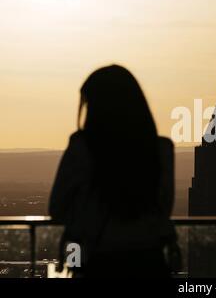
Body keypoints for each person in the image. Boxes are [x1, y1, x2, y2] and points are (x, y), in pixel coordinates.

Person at [49, 65, 178, 278]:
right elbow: (164, 207)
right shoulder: (161, 149)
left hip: (100, 263)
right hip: (151, 264)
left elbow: (58, 207)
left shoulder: (82, 147)